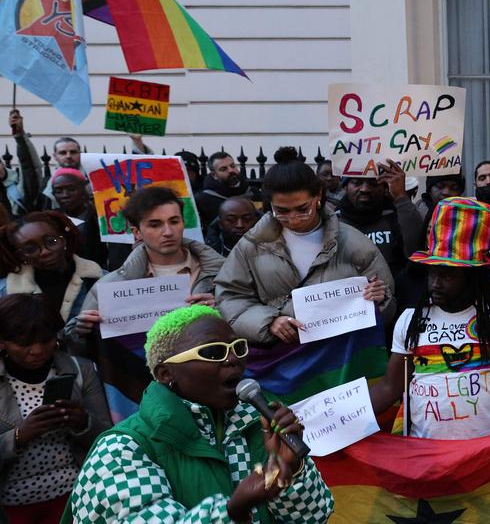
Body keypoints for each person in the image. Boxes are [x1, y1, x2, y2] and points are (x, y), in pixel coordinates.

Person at [64, 305, 334, 522]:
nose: (232, 359)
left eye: (238, 348)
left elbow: (315, 516)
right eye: (212, 352)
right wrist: (232, 511)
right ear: (166, 373)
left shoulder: (258, 425)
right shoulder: (121, 448)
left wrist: (292, 469)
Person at [370, 197, 490, 439]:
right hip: (425, 455)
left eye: (447, 276)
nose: (435, 284)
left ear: (473, 276)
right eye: (432, 274)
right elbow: (390, 386)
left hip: (489, 453)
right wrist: (339, 418)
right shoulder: (411, 320)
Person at [215, 147, 393, 345]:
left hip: (341, 359)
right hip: (283, 361)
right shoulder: (251, 245)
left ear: (318, 196)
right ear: (270, 204)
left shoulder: (354, 242)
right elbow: (230, 297)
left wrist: (378, 298)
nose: (293, 219)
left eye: (302, 209)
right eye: (281, 211)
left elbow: (387, 302)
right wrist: (268, 322)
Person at [68, 185, 226, 347]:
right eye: (155, 224)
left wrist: (222, 310)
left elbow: (246, 323)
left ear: (183, 223)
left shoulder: (224, 272)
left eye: (174, 221)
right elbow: (79, 347)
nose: (168, 232)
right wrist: (82, 331)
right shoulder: (111, 285)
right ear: (137, 232)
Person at [0, 294, 110, 522]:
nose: (37, 351)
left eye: (46, 340)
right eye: (24, 344)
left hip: (74, 494)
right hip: (11, 504)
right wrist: (20, 437)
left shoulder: (81, 370)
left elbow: (108, 439)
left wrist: (83, 422)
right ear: (2, 342)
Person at [333, 161, 425, 309]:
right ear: (345, 186)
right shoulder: (333, 224)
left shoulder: (396, 218)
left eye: (373, 184)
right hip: (346, 312)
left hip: (395, 308)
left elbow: (417, 253)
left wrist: (401, 196)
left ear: (384, 188)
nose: (365, 189)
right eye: (356, 183)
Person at [0, 212, 102, 323]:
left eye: (51, 242)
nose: (45, 252)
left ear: (63, 240)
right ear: (20, 255)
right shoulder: (5, 291)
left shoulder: (101, 280)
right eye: (30, 249)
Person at [194, 152, 254, 225]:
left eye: (232, 166)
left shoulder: (252, 191)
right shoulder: (202, 200)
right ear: (214, 175)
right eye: (223, 169)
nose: (231, 170)